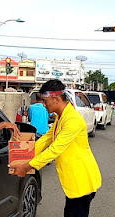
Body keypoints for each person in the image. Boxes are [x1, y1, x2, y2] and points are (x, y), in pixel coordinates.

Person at [10, 79, 102, 217]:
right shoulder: (62, 117)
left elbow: (54, 149)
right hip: (74, 182)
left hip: (82, 181)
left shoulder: (73, 120)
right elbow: (47, 138)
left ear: (56, 98)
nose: (44, 104)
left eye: (45, 101)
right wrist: (23, 154)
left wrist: (27, 166)